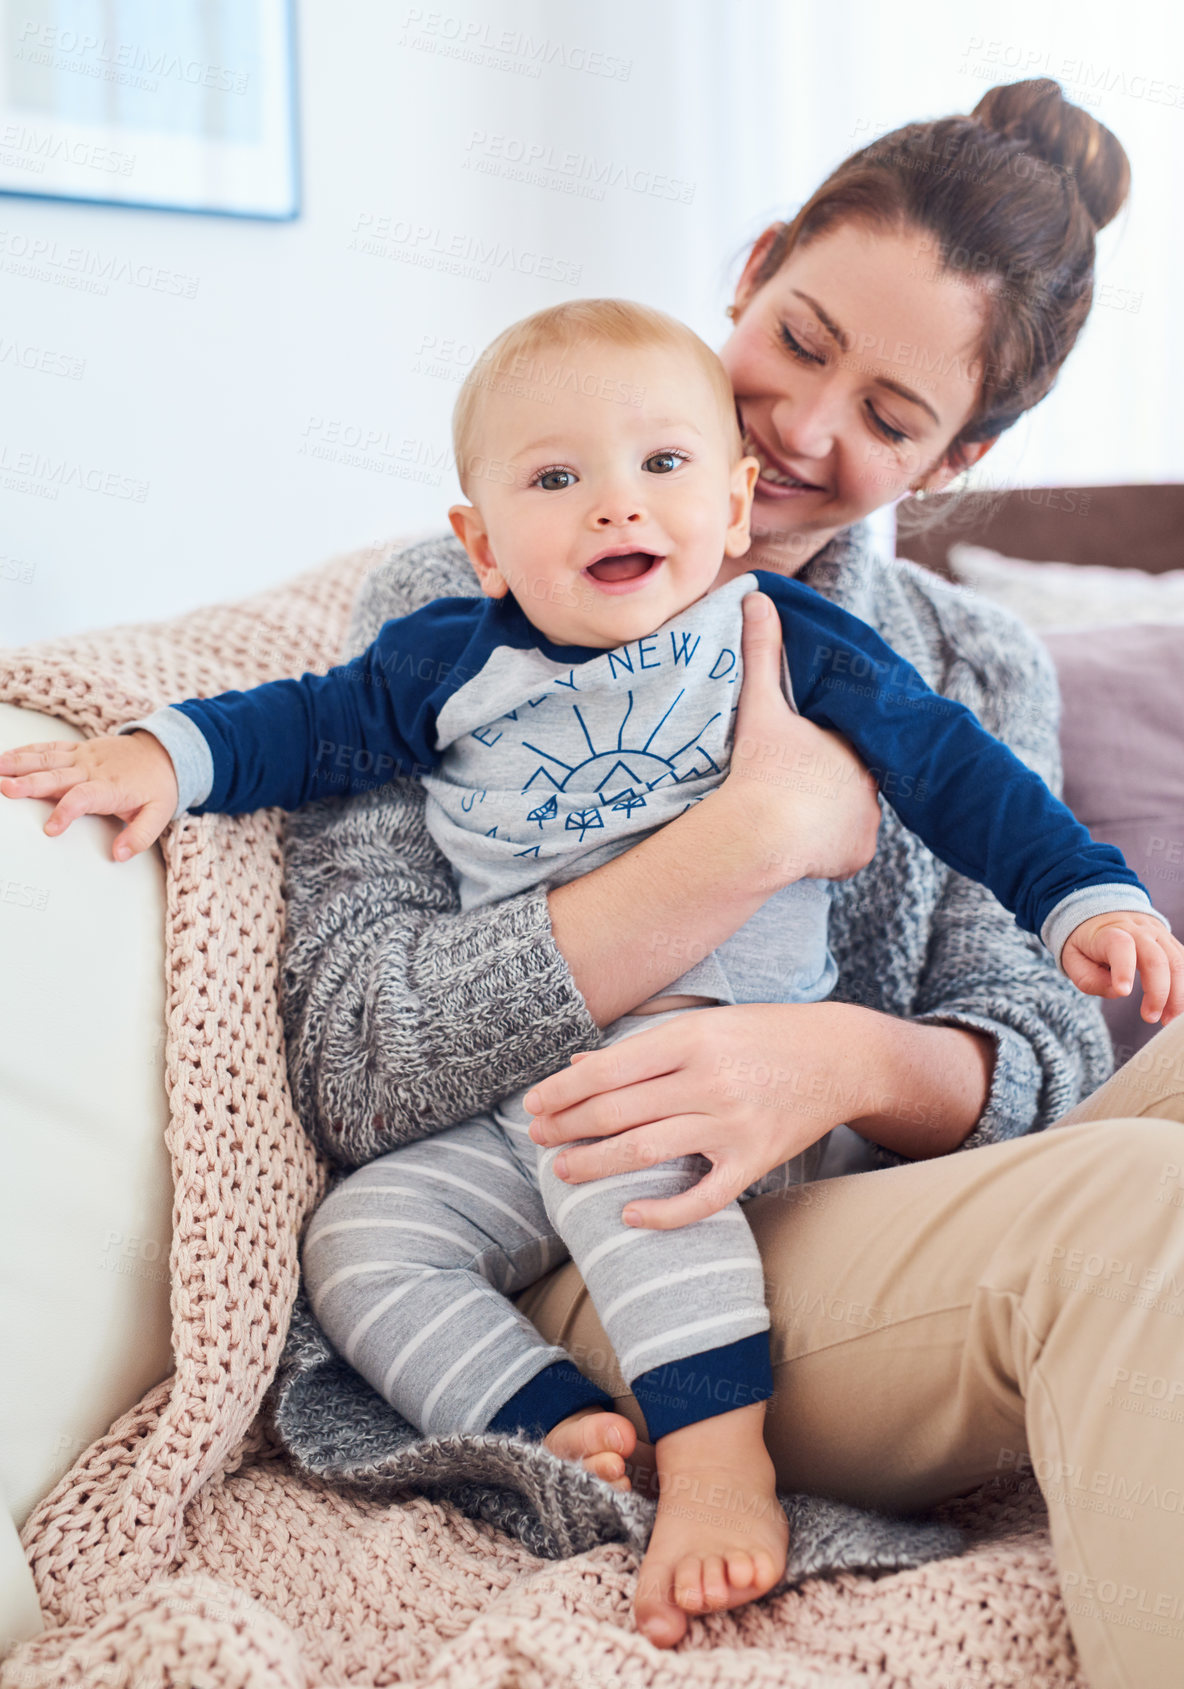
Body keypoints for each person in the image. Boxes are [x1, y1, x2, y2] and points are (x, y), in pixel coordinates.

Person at [3, 77, 1180, 1684]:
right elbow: (357, 1053)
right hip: (600, 1211)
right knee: (1138, 1208)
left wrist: (833, 1059)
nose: (805, 429)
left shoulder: (961, 664)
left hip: (863, 1185)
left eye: (893, 419)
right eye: (806, 339)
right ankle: (693, 1448)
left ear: (960, 451)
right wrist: (751, 840)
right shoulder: (469, 603)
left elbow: (1040, 1039)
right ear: (755, 268)